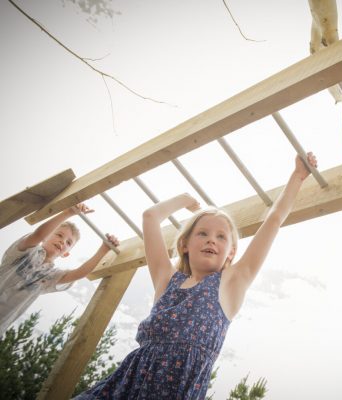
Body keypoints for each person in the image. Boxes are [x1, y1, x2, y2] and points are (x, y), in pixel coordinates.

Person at [75, 152, 318, 400]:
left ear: (231, 253)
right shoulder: (167, 281)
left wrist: (297, 176)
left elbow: (273, 221)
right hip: (123, 388)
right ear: (184, 245)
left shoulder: (231, 284)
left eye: (221, 236)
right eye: (202, 233)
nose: (212, 238)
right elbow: (150, 217)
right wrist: (185, 199)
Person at [0, 203, 120, 335]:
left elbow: (79, 273)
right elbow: (37, 235)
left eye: (68, 243)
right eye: (59, 235)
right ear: (47, 236)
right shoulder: (23, 251)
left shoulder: (51, 276)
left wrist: (103, 249)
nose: (63, 241)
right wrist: (68, 212)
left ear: (66, 253)